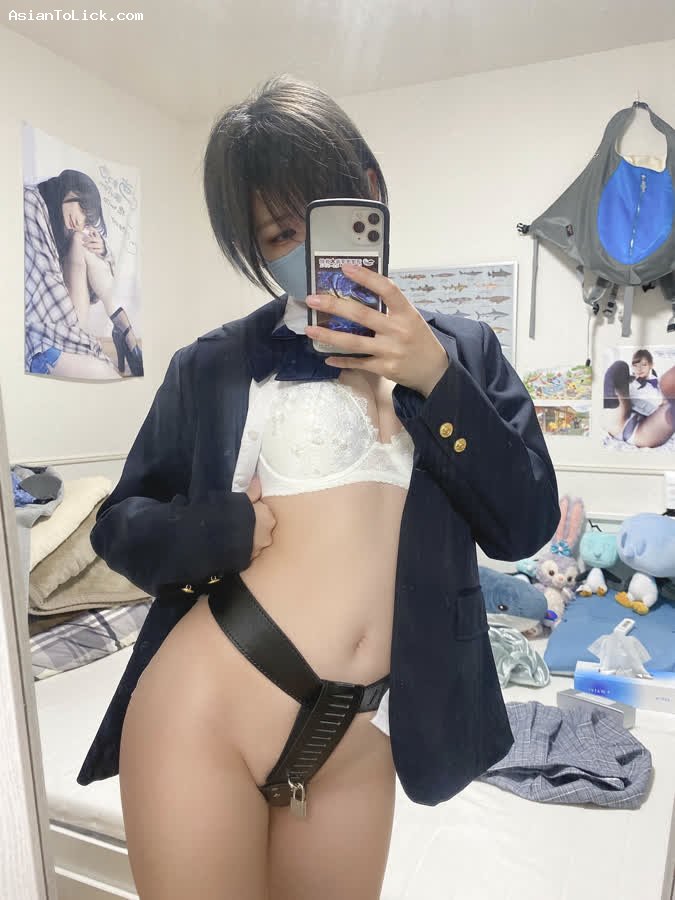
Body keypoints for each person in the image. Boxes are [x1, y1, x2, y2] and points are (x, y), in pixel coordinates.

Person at [76, 75, 559, 900]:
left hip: (360, 735)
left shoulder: (466, 352)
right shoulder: (215, 364)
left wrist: (432, 377)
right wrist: (215, 530)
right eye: (276, 233)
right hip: (207, 712)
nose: (302, 245)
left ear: (368, 192)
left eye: (321, 215)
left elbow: (524, 525)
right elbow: (118, 525)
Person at [24, 168, 143, 378]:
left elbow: (108, 274)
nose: (80, 222)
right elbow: (46, 281)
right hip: (40, 342)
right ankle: (124, 332)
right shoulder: (31, 203)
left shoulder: (59, 220)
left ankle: (123, 327)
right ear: (71, 191)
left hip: (64, 327)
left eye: (86, 219)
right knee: (109, 377)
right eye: (83, 211)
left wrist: (102, 249)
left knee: (81, 239)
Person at [603, 348, 675, 447]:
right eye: (635, 365)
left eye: (644, 365)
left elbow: (664, 403)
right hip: (621, 420)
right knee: (620, 365)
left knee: (670, 399)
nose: (640, 369)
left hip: (644, 430)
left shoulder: (658, 383)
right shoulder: (629, 381)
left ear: (651, 365)